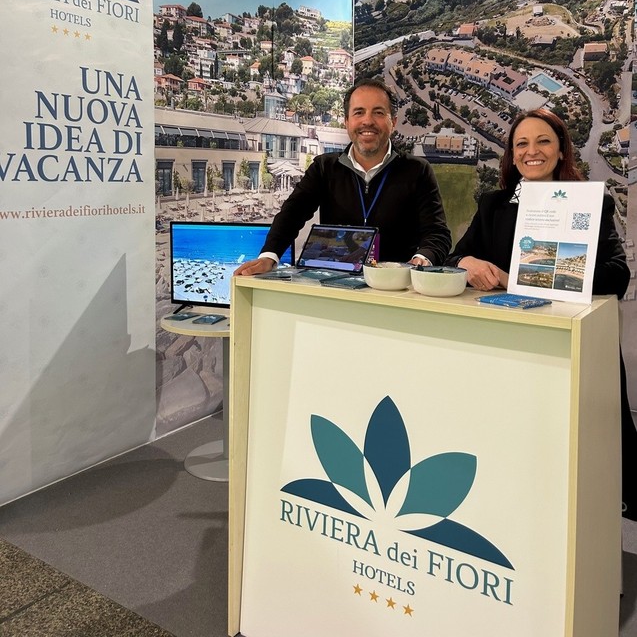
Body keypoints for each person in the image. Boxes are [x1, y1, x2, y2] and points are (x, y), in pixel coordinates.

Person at [446, 108, 635, 519]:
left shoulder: (591, 203)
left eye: (543, 141)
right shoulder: (493, 204)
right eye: (522, 144)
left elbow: (617, 274)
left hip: (569, 350)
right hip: (509, 350)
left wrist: (524, 277)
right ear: (512, 155)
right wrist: (466, 262)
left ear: (561, 149)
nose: (532, 151)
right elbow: (455, 256)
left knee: (572, 471)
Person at [235, 78, 451, 275]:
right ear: (346, 122)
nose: (368, 121)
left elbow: (437, 234)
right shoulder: (324, 167)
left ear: (392, 122)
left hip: (395, 290)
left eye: (378, 112)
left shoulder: (417, 170)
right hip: (337, 287)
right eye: (359, 112)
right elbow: (292, 214)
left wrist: (422, 259)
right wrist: (269, 255)